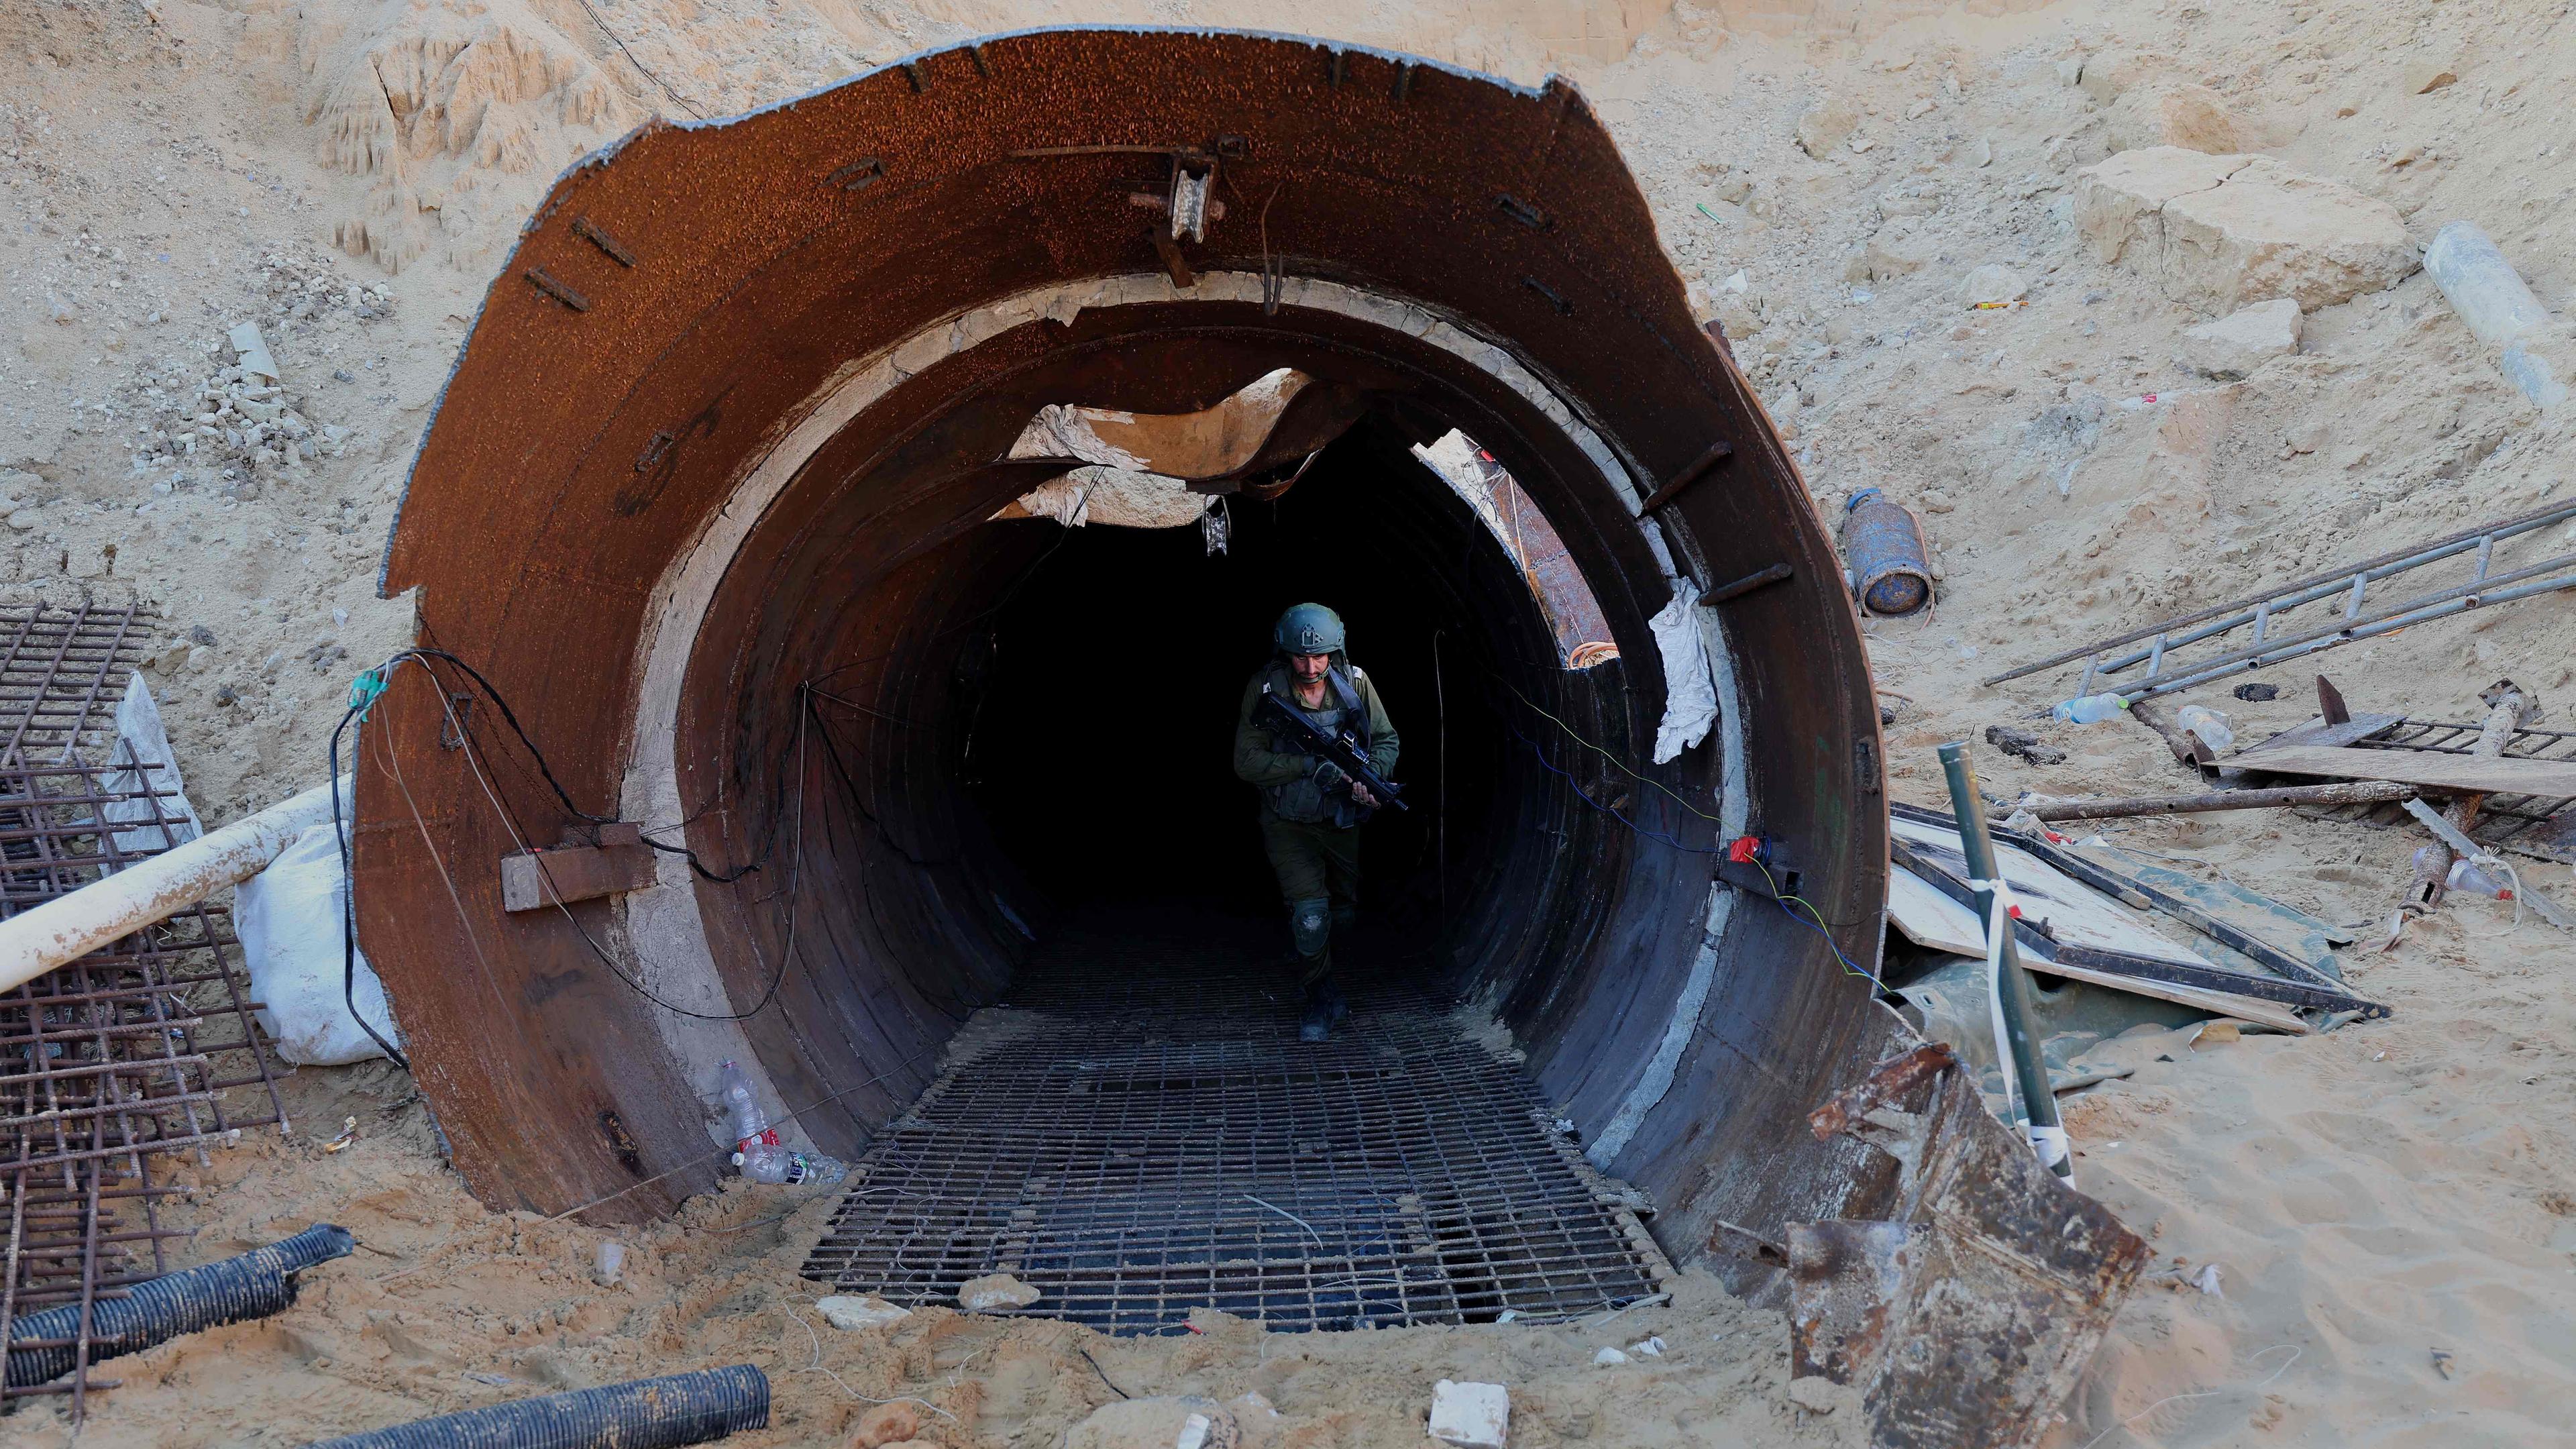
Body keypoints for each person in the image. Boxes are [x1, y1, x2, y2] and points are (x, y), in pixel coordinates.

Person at [1233, 603, 1401, 1042]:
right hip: (1287, 822)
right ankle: (1320, 994)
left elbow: (1386, 739)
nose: (1311, 666)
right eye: (1302, 657)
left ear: (1335, 651)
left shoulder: (1356, 686)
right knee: (1310, 915)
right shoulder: (1266, 687)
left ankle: (1317, 963)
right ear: (1285, 653)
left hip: (1342, 820)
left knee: (1341, 914)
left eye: (1321, 656)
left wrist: (1371, 778)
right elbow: (1246, 761)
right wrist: (1309, 765)